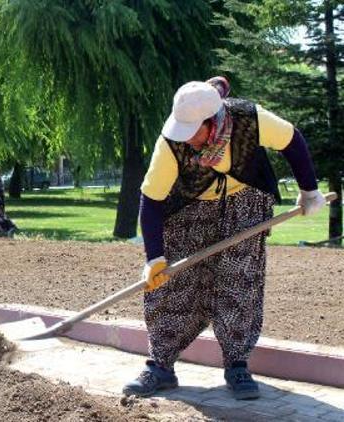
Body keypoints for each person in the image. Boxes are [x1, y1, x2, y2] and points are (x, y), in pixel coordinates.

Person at [123, 77, 326, 400]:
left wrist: (309, 191)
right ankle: (160, 366)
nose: (186, 139)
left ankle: (237, 365)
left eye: (193, 131)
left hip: (245, 201)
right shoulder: (171, 142)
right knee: (172, 284)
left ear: (212, 121)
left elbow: (292, 140)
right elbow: (151, 202)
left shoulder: (249, 118)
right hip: (189, 207)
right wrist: (155, 258)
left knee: (239, 280)